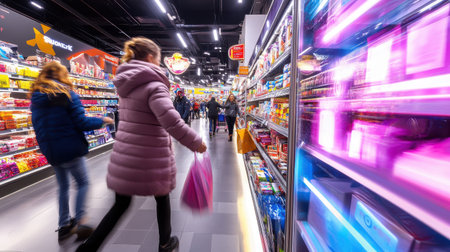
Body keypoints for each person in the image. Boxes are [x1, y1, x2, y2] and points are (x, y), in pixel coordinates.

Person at [76, 37, 207, 252]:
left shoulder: (126, 84)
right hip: (150, 155)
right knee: (162, 197)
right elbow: (171, 121)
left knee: (121, 205)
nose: (159, 64)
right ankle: (165, 243)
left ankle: (89, 247)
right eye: (158, 59)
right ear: (149, 57)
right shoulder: (154, 85)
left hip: (125, 154)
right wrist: (196, 142)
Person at [30, 61, 114, 242]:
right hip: (70, 148)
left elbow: (37, 126)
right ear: (62, 76)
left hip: (51, 151)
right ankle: (80, 221)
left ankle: (63, 226)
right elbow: (82, 123)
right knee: (83, 183)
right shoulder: (68, 95)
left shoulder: (36, 99)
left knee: (63, 187)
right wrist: (103, 120)